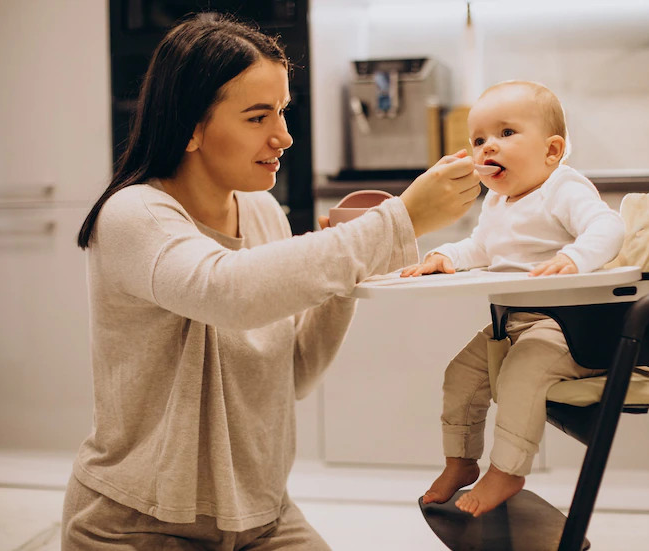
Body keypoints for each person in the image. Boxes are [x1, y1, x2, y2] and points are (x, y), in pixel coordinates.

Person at [63, 12, 481, 550]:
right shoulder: (134, 215)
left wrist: (348, 270)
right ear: (191, 125)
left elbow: (294, 375)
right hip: (139, 523)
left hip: (261, 517)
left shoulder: (263, 212)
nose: (283, 136)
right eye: (258, 117)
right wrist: (399, 222)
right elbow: (228, 293)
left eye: (282, 111)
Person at [402, 80, 625, 517]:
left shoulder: (563, 188)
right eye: (479, 140)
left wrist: (575, 257)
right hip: (515, 323)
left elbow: (609, 227)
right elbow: (481, 249)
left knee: (522, 373)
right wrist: (445, 256)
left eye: (506, 134)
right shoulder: (498, 203)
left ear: (551, 150)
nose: (488, 148)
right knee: (461, 374)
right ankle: (461, 461)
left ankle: (507, 469)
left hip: (573, 328)